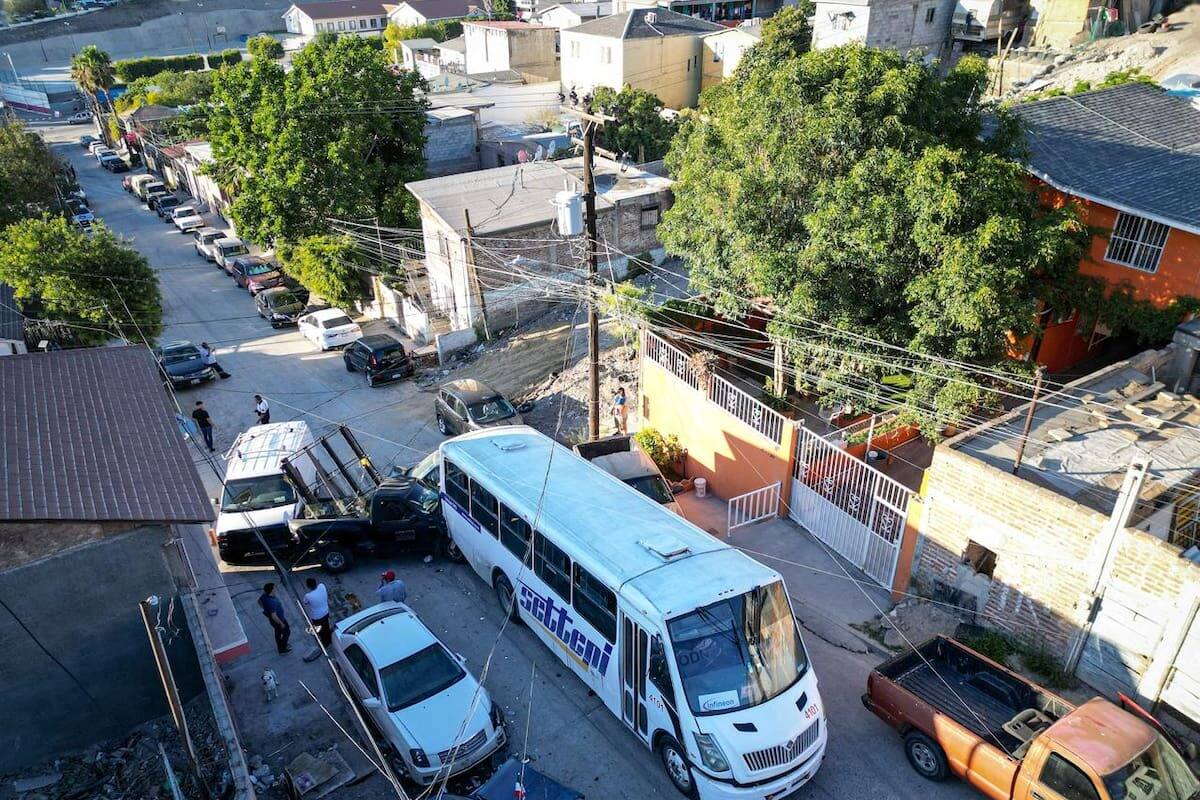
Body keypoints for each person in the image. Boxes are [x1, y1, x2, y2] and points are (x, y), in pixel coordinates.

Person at [258, 582, 291, 654]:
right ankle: (282, 648)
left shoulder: (264, 596)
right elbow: (274, 616)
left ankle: (281, 646)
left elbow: (259, 601)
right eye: (274, 587)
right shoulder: (271, 602)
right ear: (272, 590)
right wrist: (281, 623)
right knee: (287, 633)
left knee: (278, 633)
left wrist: (265, 609)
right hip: (278, 620)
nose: (275, 588)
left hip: (276, 619)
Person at [302, 577, 332, 649]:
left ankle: (325, 642)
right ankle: (329, 639)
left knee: (320, 630)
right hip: (326, 612)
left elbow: (305, 602)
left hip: (317, 617)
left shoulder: (308, 596)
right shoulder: (322, 586)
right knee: (326, 626)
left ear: (308, 586)